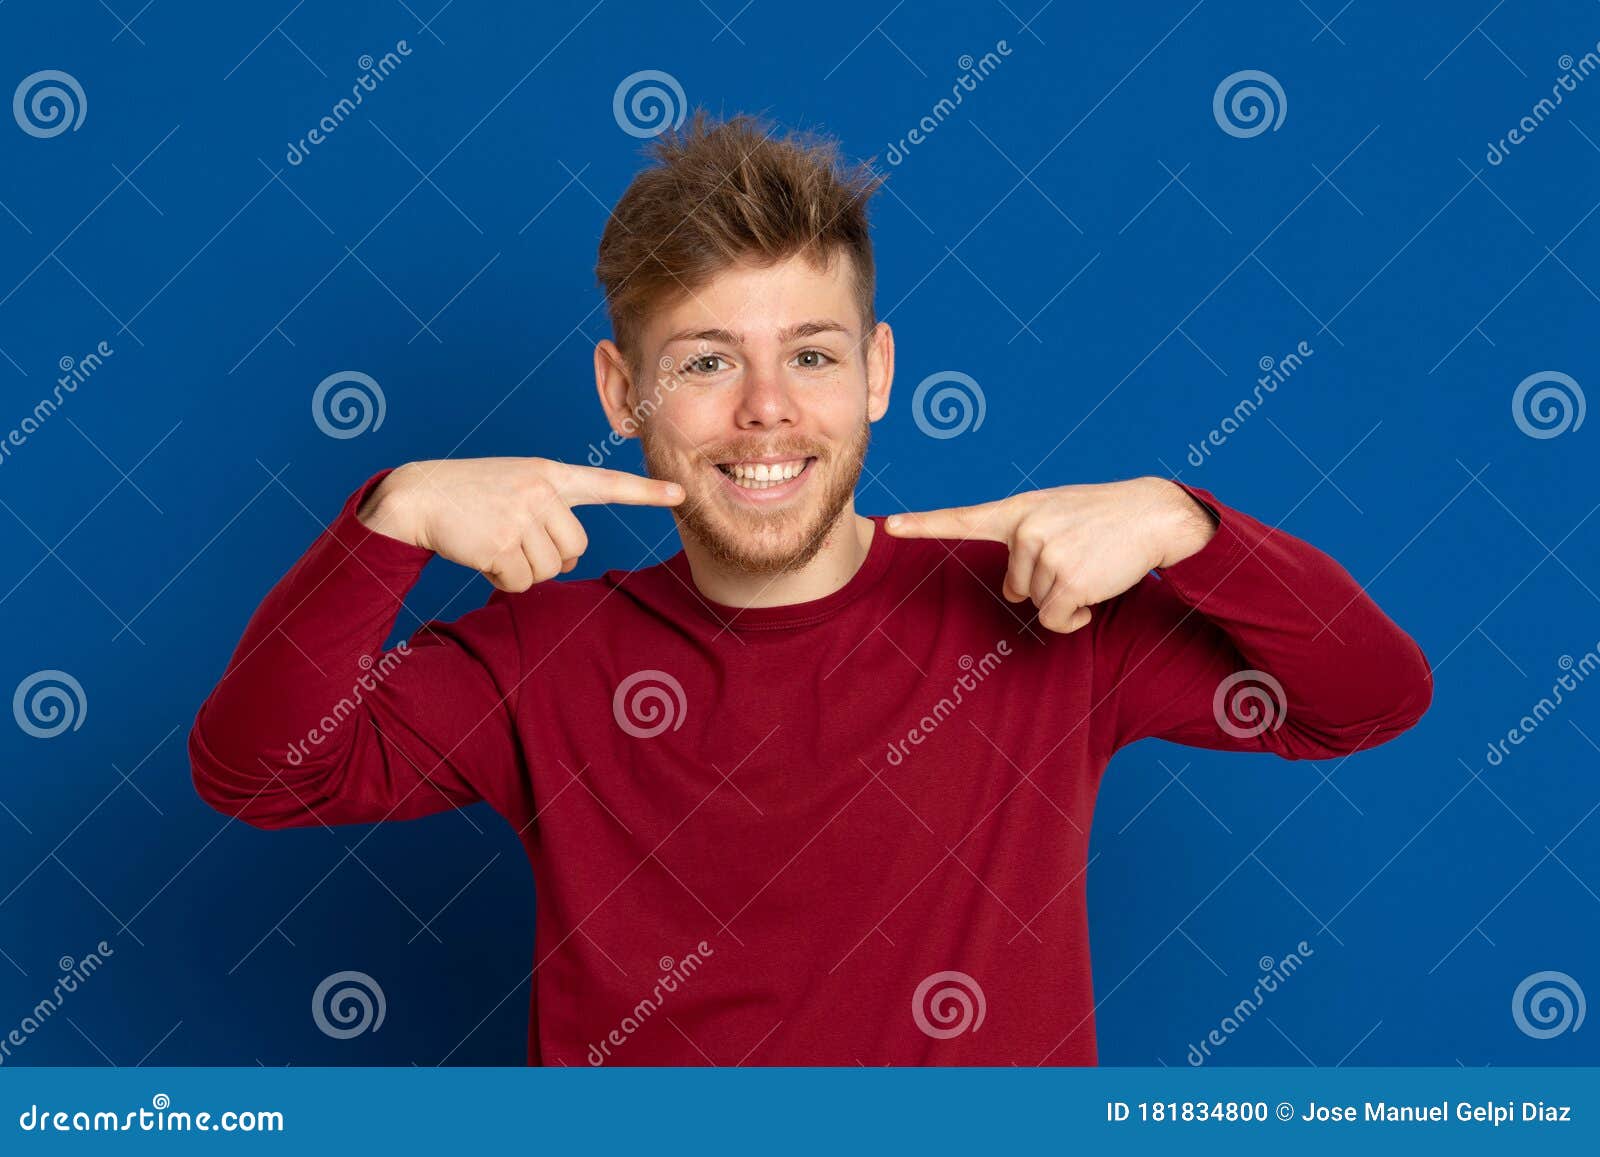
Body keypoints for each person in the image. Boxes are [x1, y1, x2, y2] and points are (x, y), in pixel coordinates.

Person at [189, 111, 1432, 1066]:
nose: (767, 409)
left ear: (878, 372)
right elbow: (258, 770)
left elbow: (1364, 700)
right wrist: (389, 516)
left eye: (813, 355)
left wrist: (1188, 522)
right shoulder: (539, 659)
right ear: (623, 396)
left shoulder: (1040, 611)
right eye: (707, 360)